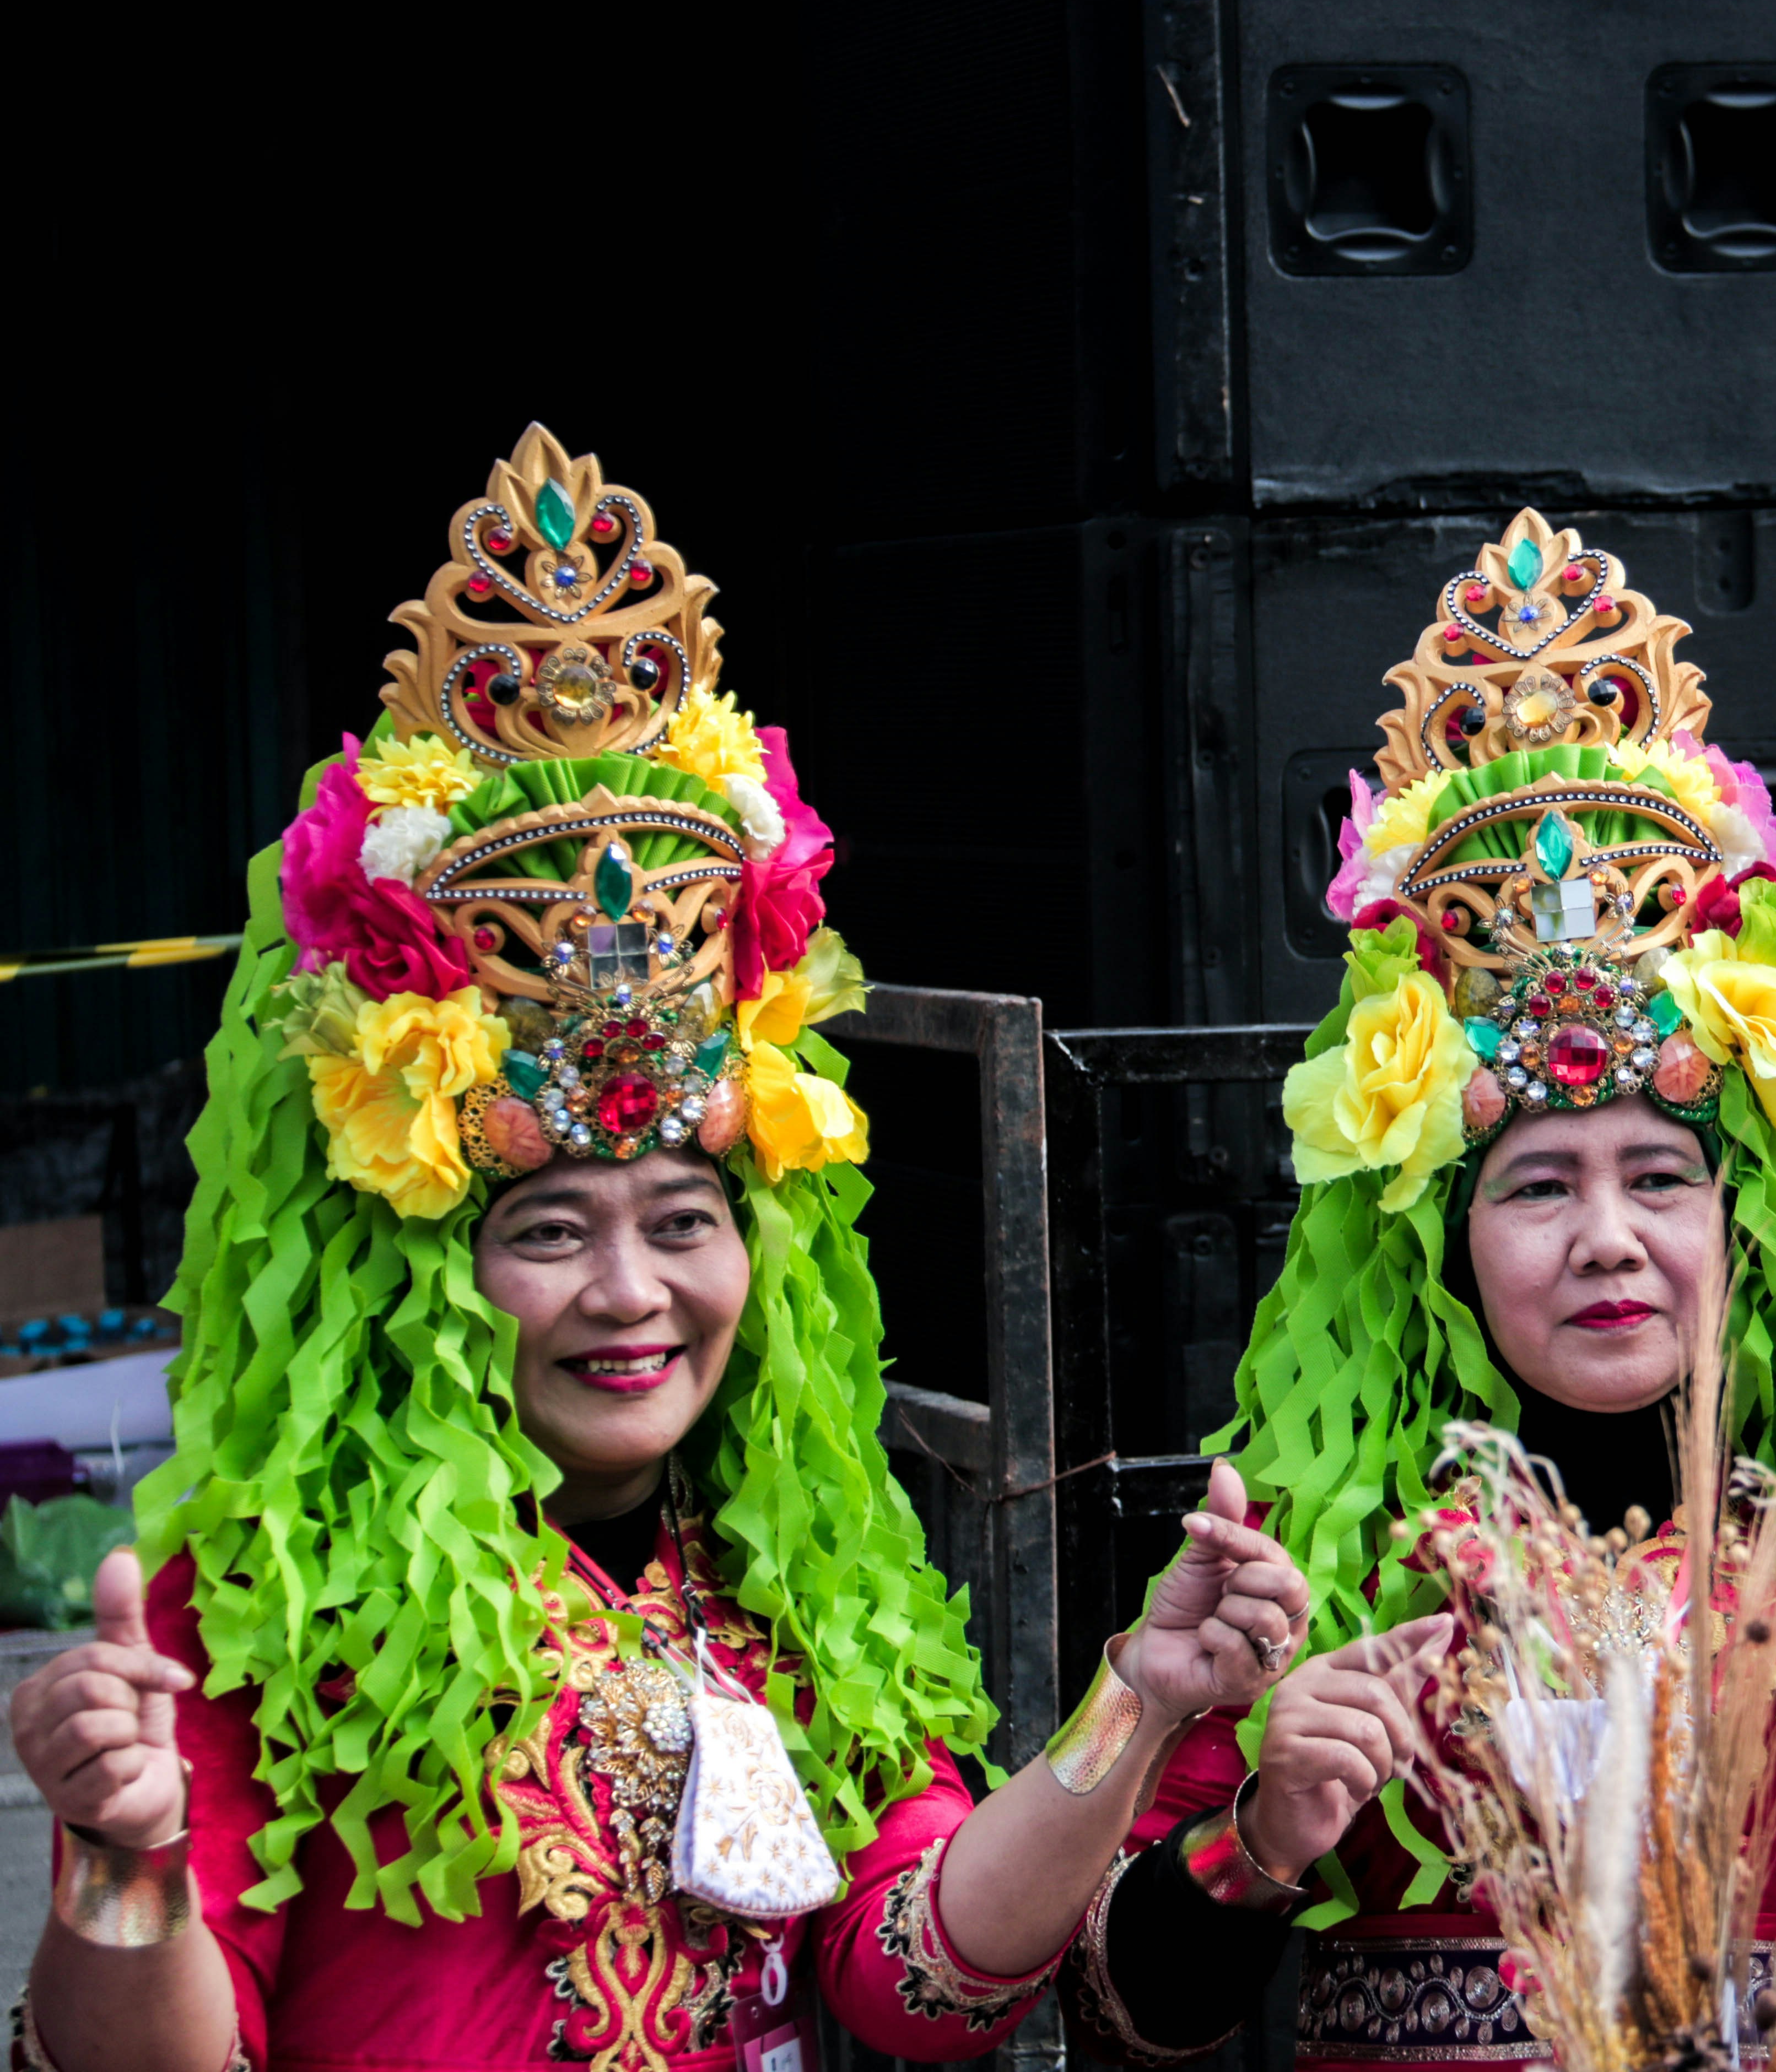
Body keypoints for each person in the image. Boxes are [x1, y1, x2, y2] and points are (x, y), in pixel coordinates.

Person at [3, 428, 1315, 2072]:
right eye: (551, 1231)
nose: (634, 1297)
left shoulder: (792, 1563)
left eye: (686, 1222)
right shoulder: (269, 1597)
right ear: (420, 1265)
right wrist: (122, 1871)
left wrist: (1139, 1701)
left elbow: (918, 1983)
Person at [1053, 509, 1776, 2069]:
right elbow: (1118, 2001)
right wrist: (1258, 1836)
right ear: (1440, 1244)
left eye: (1662, 1180)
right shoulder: (1325, 1544)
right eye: (1538, 1189)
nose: (1609, 1241)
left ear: (1738, 1220)